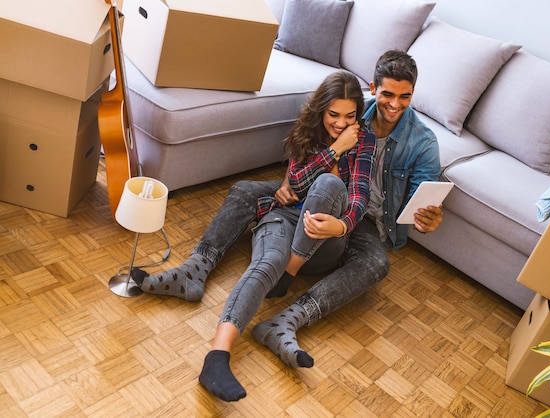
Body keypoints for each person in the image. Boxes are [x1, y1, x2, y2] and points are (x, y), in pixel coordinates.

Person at [132, 49, 442, 396]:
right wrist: (325, 156)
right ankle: (196, 272)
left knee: (358, 235)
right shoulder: (354, 117)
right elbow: (297, 178)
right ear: (374, 89)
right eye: (387, 94)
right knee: (248, 195)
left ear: (413, 94)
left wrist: (420, 219)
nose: (394, 104)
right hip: (298, 207)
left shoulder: (408, 140)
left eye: (404, 96)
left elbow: (367, 197)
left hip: (356, 222)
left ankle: (288, 315)